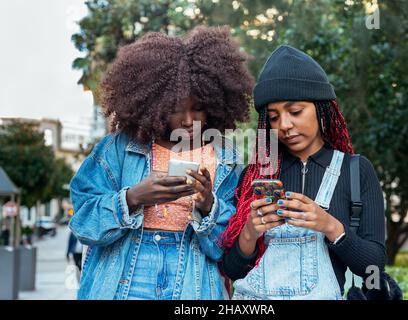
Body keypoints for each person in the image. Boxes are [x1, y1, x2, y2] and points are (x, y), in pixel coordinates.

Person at [68, 25, 254, 300]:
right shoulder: (119, 147)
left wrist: (208, 205)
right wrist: (133, 197)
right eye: (176, 109)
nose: (188, 120)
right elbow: (83, 223)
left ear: (215, 103)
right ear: (156, 104)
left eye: (198, 108)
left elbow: (225, 248)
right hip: (124, 280)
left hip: (193, 281)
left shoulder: (227, 159)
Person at [220, 45, 386, 300]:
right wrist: (250, 233)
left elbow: (374, 268)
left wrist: (330, 226)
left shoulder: (355, 171)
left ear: (321, 109)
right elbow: (232, 270)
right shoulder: (254, 177)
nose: (285, 125)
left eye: (295, 112)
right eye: (274, 118)